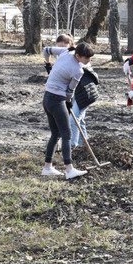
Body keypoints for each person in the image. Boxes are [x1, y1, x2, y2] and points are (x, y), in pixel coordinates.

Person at [41, 41, 95, 179]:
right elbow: (70, 91)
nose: (89, 60)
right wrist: (68, 103)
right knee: (67, 134)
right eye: (87, 58)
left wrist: (48, 65)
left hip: (47, 98)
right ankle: (69, 169)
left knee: (56, 133)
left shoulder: (65, 51)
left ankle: (47, 167)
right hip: (57, 100)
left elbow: (46, 50)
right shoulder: (78, 70)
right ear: (78, 55)